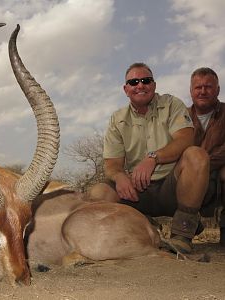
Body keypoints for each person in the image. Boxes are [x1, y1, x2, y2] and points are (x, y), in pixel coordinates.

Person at [89, 62, 210, 254]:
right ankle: (144, 224)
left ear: (153, 85)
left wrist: (153, 158)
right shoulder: (117, 119)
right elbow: (112, 164)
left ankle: (182, 233)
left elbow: (185, 138)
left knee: (197, 155)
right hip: (136, 193)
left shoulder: (172, 104)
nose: (140, 85)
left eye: (146, 80)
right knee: (98, 193)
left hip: (172, 187)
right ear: (126, 89)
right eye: (134, 82)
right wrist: (119, 177)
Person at [189, 67, 225, 246]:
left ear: (217, 90)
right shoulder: (180, 117)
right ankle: (186, 226)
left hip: (218, 175)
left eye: (208, 87)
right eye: (198, 87)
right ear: (191, 91)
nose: (203, 91)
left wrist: (202, 164)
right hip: (188, 179)